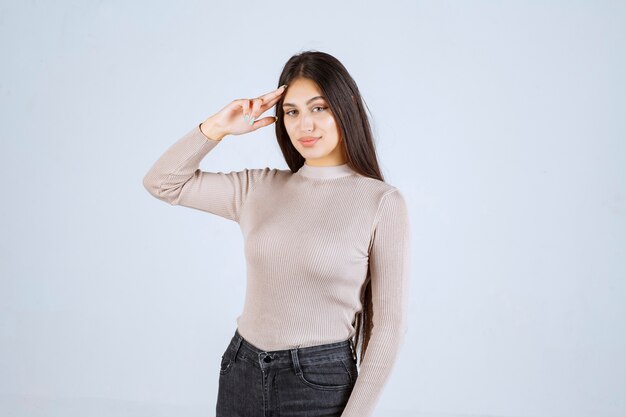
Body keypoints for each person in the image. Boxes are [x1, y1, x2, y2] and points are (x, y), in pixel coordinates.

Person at [143, 50, 411, 417]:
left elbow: (388, 328)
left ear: (346, 106)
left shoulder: (380, 202)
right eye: (292, 111)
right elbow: (162, 183)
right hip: (242, 370)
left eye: (319, 108)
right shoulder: (260, 188)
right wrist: (217, 128)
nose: (305, 125)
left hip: (319, 382)